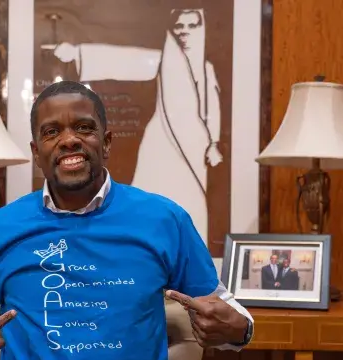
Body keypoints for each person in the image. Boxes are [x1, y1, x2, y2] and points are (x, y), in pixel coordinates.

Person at [0, 81, 253, 360]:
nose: (69, 139)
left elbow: (223, 308)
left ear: (106, 142)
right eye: (52, 132)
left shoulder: (164, 220)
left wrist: (239, 331)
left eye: (84, 127)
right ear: (37, 153)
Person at [52, 8, 220, 244]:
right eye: (179, 27)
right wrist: (77, 53)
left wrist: (214, 143)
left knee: (189, 201)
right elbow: (128, 59)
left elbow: (213, 108)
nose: (185, 32)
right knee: (148, 203)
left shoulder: (207, 69)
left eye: (191, 26)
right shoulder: (164, 60)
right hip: (161, 143)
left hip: (195, 147)